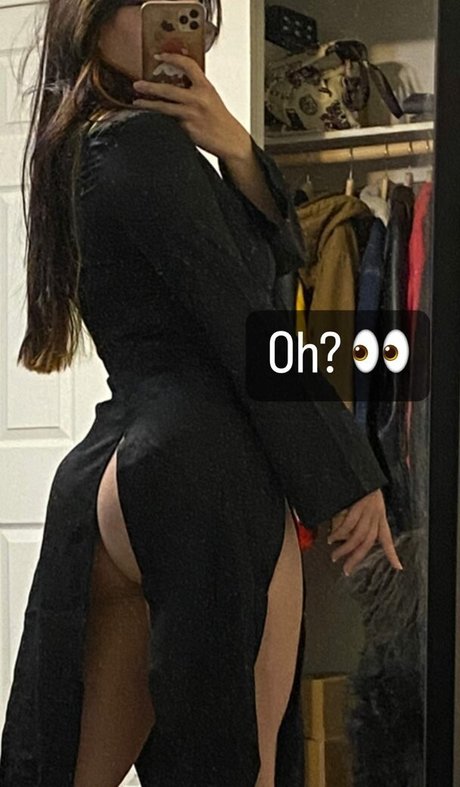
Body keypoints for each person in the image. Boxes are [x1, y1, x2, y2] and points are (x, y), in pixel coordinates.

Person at [0, 1, 403, 785]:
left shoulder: (83, 144)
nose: (181, 22)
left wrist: (237, 150)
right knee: (235, 766)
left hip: (116, 466)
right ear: (93, 20)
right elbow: (248, 320)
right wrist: (350, 476)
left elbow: (273, 253)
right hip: (207, 465)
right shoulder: (142, 144)